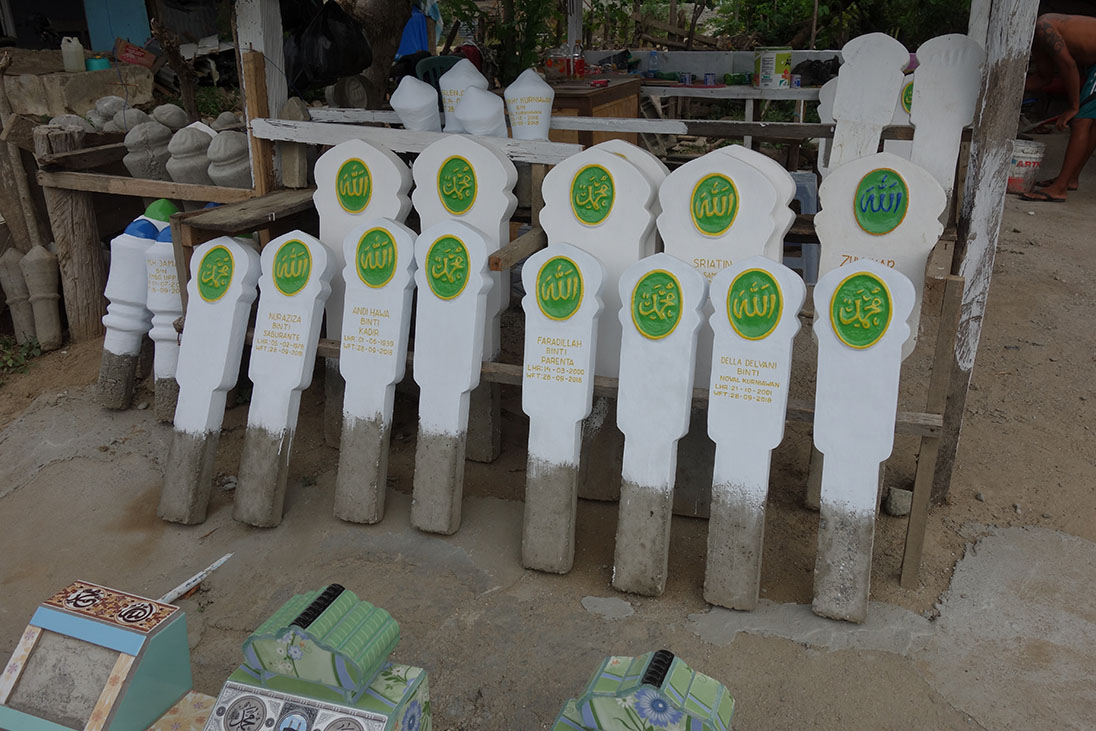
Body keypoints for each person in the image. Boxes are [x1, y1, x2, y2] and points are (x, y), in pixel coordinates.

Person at [1023, 13, 1096, 202]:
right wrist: (1006, 88)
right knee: (1091, 121)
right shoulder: (1037, 42)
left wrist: (1073, 106)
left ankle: (1060, 188)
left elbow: (1068, 65)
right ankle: (1070, 179)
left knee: (1081, 120)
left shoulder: (1043, 27)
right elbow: (1043, 78)